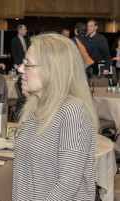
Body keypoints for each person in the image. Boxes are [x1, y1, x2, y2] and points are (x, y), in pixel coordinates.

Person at [13, 33, 98, 200]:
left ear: (52, 71)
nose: (20, 69)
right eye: (23, 63)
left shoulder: (72, 111)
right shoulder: (35, 105)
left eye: (28, 64)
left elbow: (68, 185)